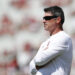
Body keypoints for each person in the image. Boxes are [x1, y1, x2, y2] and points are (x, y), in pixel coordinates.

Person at [29, 6, 73, 75]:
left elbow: (39, 60)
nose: (43, 21)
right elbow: (31, 66)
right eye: (44, 18)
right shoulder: (45, 42)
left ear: (58, 20)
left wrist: (38, 63)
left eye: (47, 18)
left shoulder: (64, 38)